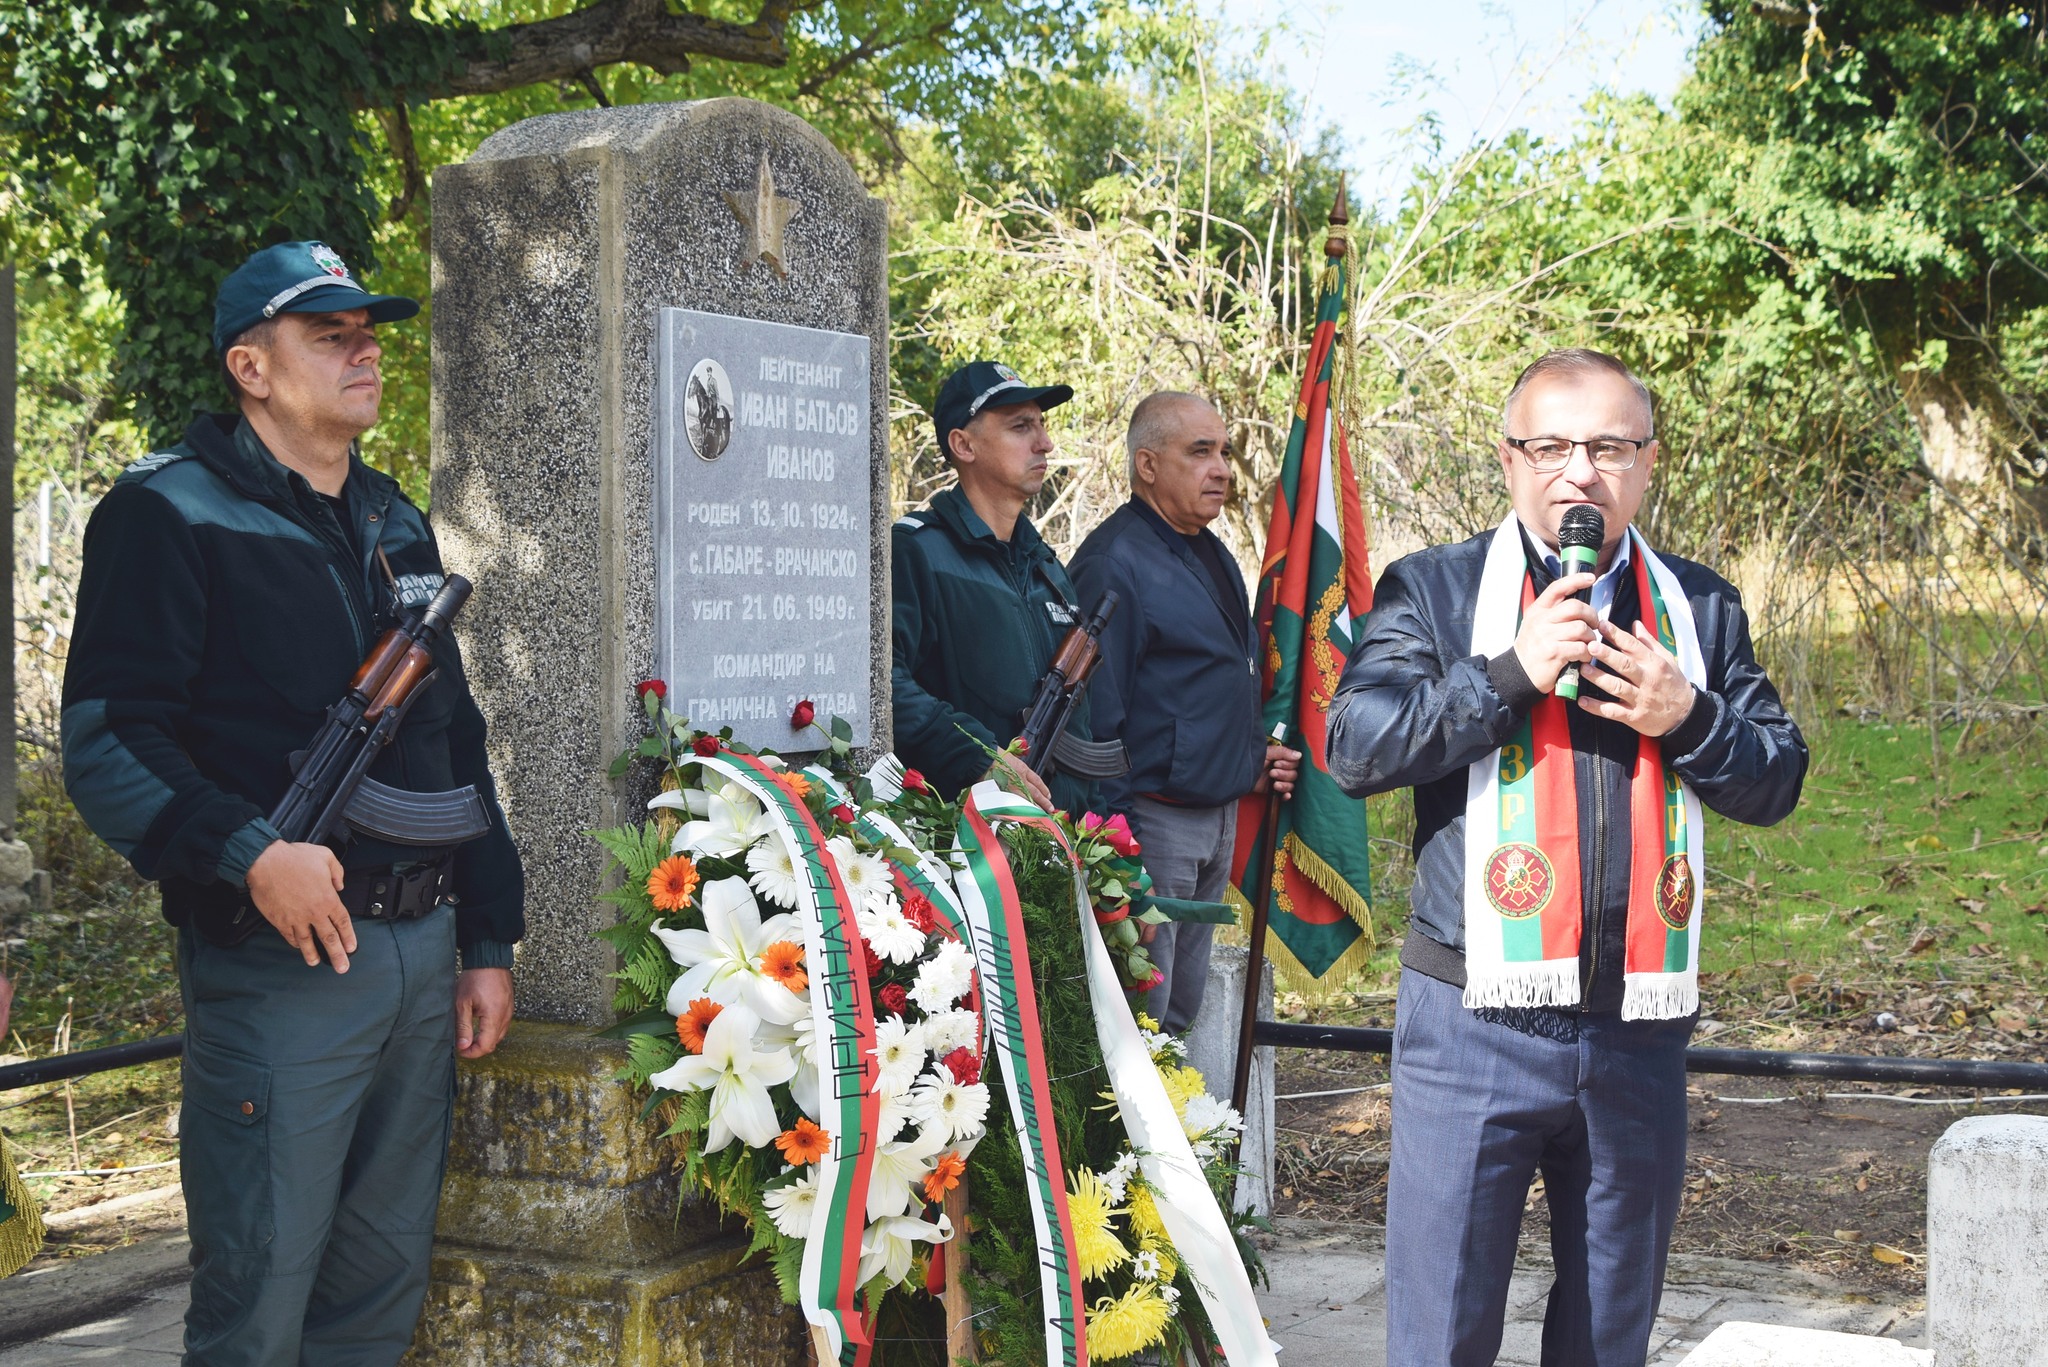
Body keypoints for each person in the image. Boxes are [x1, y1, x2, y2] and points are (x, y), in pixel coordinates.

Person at [61, 240, 525, 1365]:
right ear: (251, 367)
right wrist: (249, 852)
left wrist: (487, 932)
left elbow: (454, 739)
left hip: (419, 951)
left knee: (377, 1287)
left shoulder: (393, 519)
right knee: (258, 1296)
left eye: (367, 330)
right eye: (329, 334)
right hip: (283, 962)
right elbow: (109, 740)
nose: (363, 349)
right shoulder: (166, 512)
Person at [1326, 348, 1806, 1366]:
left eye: (1606, 447)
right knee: (1440, 1328)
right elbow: (1354, 746)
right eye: (1548, 445)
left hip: (1636, 1033)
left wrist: (1691, 718)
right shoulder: (1439, 586)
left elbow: (1774, 778)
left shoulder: (1700, 607)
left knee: (1606, 1333)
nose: (1576, 473)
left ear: (1646, 463)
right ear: (1508, 461)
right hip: (1470, 1024)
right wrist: (1504, 673)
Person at [1071, 392, 1300, 1032]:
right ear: (1148, 465)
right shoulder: (1113, 563)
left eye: (1223, 451)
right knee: (1143, 1016)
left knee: (1182, 1009)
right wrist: (1117, 844)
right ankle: (1137, 1136)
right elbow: (1097, 712)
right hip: (1152, 826)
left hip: (1217, 815)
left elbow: (1208, 681)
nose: (1222, 468)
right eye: (1200, 452)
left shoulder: (1210, 549)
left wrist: (1248, 761)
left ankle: (1180, 1132)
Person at [892, 360, 1096, 815]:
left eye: (1041, 425)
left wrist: (1100, 825)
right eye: (1021, 427)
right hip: (966, 842)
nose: (1045, 442)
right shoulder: (917, 552)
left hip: (1066, 839)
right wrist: (977, 757)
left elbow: (1082, 719)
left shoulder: (1047, 567)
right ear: (963, 445)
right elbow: (883, 683)